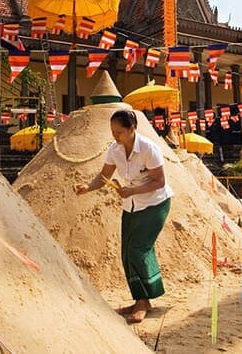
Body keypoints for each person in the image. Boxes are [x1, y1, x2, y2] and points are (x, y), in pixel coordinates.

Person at [74, 109, 173, 324]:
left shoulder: (149, 149)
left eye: (119, 131)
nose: (115, 136)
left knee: (138, 248)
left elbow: (160, 182)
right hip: (131, 205)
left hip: (155, 203)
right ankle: (140, 299)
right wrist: (87, 187)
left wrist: (132, 191)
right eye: (112, 132)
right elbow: (104, 177)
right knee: (126, 252)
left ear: (132, 129)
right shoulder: (114, 150)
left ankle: (144, 300)